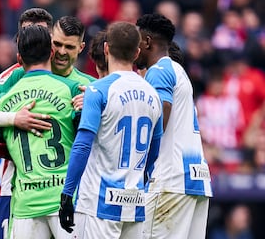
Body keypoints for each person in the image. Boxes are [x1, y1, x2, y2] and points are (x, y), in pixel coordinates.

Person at [0, 24, 82, 238]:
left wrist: (10, 124)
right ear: (51, 53)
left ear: (19, 59)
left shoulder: (5, 99)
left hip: (26, 202)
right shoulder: (72, 91)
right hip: (64, 199)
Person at [59, 21, 163, 238]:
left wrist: (67, 193)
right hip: (134, 203)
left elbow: (82, 145)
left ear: (106, 49)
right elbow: (154, 151)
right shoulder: (153, 94)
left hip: (99, 203)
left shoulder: (98, 90)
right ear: (136, 53)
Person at [136, 13, 213, 239]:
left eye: (137, 40)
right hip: (196, 180)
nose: (134, 48)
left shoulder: (158, 71)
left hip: (169, 182)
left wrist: (142, 164)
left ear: (148, 42)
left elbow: (161, 114)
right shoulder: (179, 72)